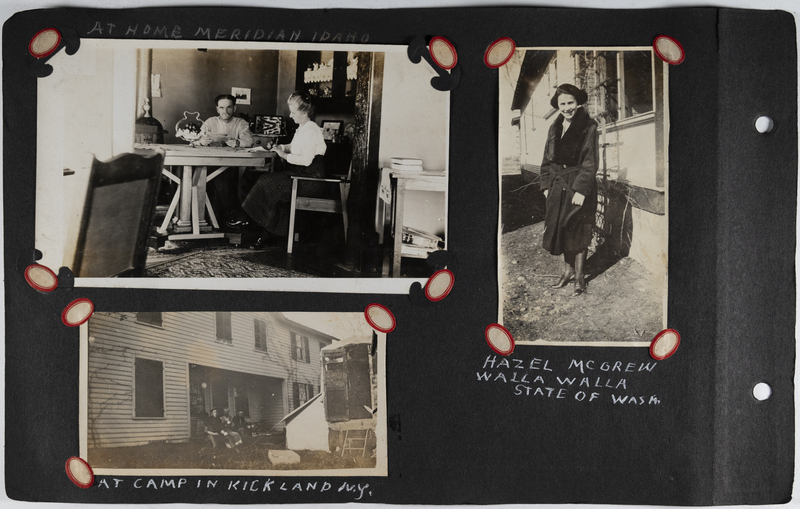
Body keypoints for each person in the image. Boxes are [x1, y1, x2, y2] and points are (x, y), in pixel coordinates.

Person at [241, 90, 327, 249]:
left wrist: (283, 155)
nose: (291, 115)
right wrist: (281, 146)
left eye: (293, 112)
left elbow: (307, 161)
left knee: (267, 182)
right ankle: (264, 230)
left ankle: (256, 225)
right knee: (265, 181)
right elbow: (295, 147)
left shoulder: (312, 129)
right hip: (301, 175)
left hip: (311, 180)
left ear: (304, 112)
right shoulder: (303, 127)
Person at [540, 84, 599, 296]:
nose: (567, 108)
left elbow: (590, 162)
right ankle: (567, 272)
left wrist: (582, 191)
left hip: (577, 186)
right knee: (562, 228)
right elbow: (546, 160)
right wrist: (546, 185)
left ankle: (580, 277)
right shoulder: (554, 128)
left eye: (570, 103)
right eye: (562, 104)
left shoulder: (588, 127)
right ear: (557, 105)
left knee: (579, 228)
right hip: (557, 186)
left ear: (578, 103)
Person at [197, 94, 254, 227]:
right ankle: (219, 216)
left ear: (234, 108)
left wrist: (238, 142)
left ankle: (223, 217)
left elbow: (249, 141)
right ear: (217, 109)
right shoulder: (210, 122)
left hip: (232, 165)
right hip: (209, 163)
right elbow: (197, 139)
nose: (225, 111)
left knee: (221, 175)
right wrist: (201, 141)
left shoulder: (241, 123)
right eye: (221, 108)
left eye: (229, 107)